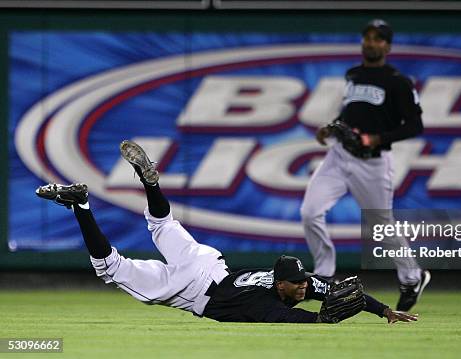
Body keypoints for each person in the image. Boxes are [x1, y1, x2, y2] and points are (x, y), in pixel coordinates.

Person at [35, 140, 418, 324]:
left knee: (163, 224)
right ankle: (82, 205)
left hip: (208, 262)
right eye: (298, 285)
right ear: (280, 285)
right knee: (111, 269)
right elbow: (299, 321)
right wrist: (325, 321)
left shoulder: (294, 283)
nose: (304, 288)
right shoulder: (259, 304)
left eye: (303, 282)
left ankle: (150, 182)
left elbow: (335, 290)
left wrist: (384, 310)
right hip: (194, 286)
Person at [300, 19, 430, 311]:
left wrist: (378, 138)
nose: (372, 42)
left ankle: (412, 277)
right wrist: (331, 129)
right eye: (368, 37)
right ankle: (324, 272)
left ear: (387, 45)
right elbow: (352, 115)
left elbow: (415, 126)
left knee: (381, 226)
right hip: (339, 156)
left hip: (372, 164)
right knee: (310, 212)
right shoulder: (354, 74)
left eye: (378, 38)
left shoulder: (398, 81)